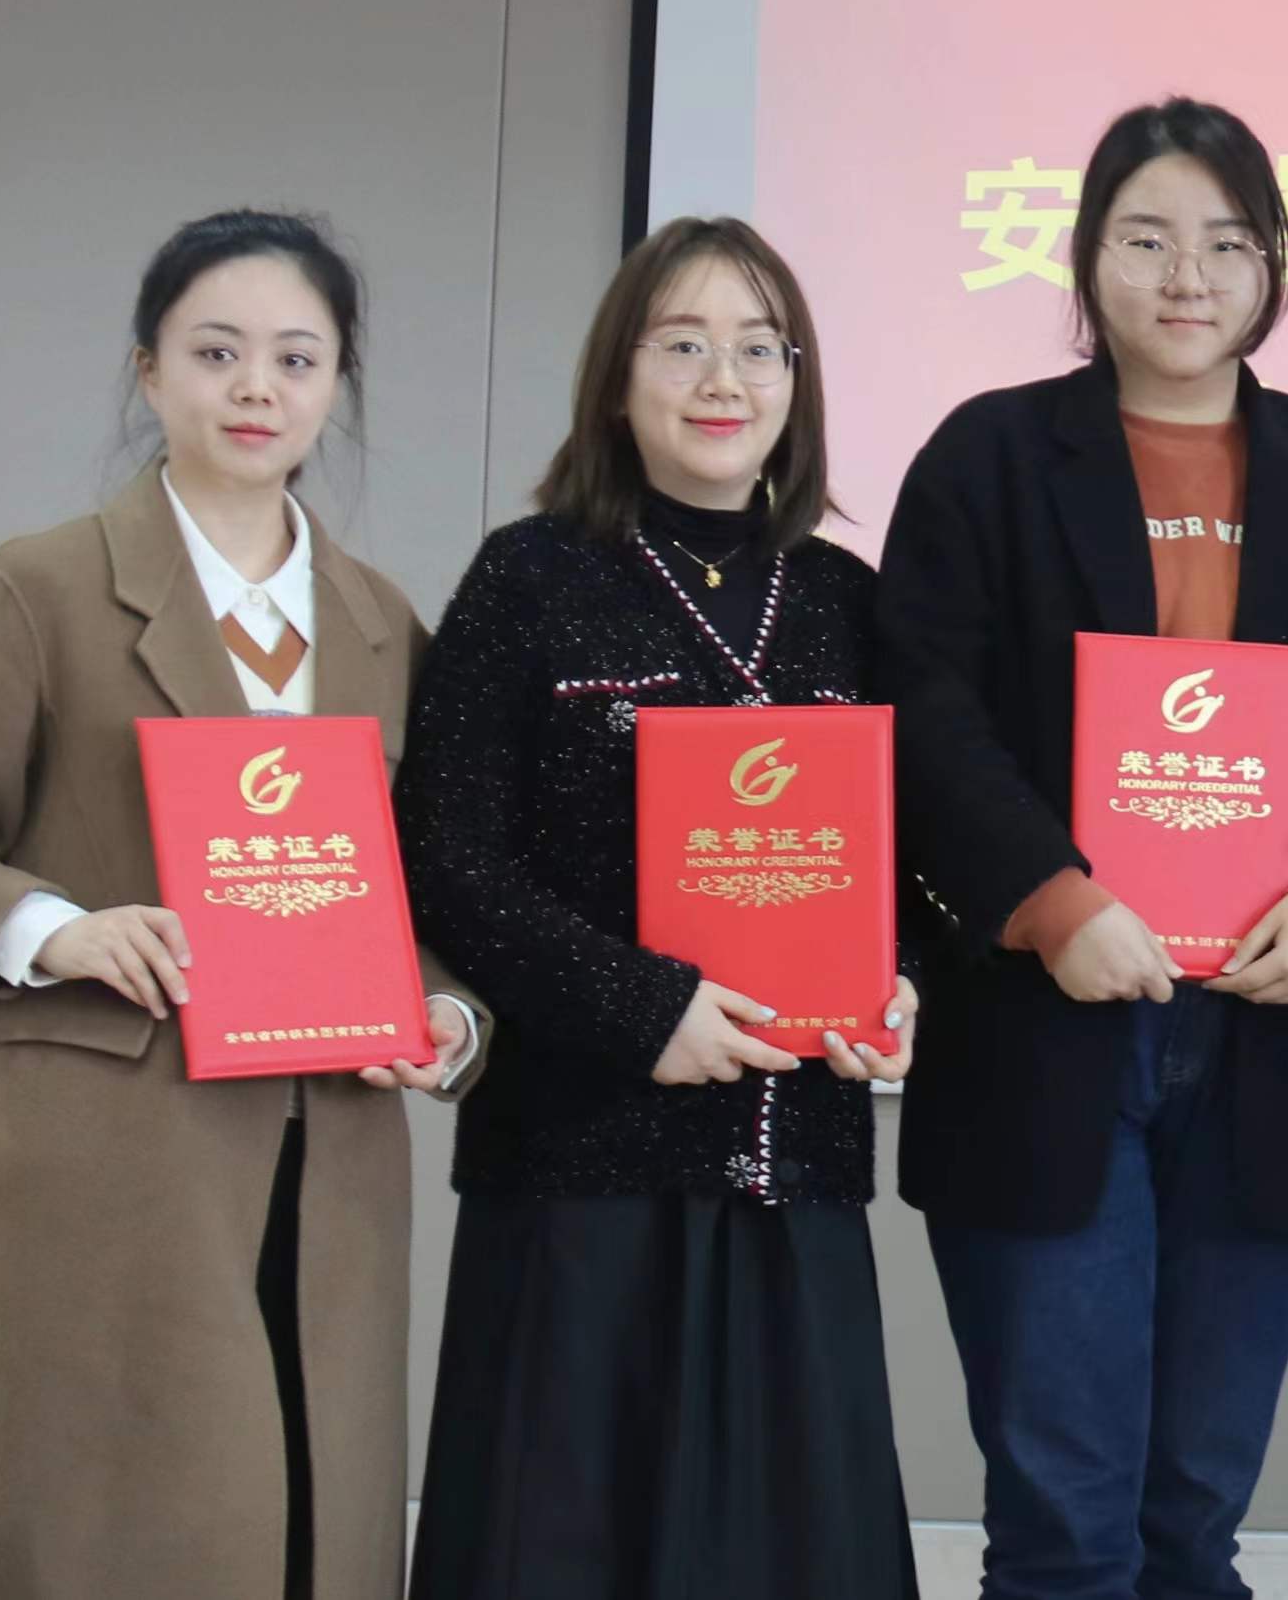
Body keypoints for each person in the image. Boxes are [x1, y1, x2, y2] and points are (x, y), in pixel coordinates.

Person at [0, 210, 484, 1600]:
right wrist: (51, 928)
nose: (256, 388)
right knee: (108, 1532)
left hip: (330, 1153)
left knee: (307, 1526)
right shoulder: (41, 587)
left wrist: (447, 1015)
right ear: (148, 370)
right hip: (111, 1153)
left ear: (335, 385)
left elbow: (434, 885)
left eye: (296, 358)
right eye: (216, 352)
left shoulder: (380, 623)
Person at [877, 96, 1288, 1599]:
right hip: (1043, 1025)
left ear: (1272, 267)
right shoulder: (989, 460)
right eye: (1146, 240)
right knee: (1064, 1526)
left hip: (1267, 1028)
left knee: (1193, 1517)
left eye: (1225, 243)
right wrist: (1051, 901)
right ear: (1087, 257)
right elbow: (925, 710)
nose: (1186, 276)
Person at [398, 216, 921, 1600]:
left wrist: (901, 983)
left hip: (792, 1163)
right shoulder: (529, 577)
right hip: (580, 1164)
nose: (723, 379)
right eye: (681, 343)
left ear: (798, 381)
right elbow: (447, 853)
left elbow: (915, 859)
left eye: (760, 347)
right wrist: (644, 1010)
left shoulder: (846, 601)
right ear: (618, 376)